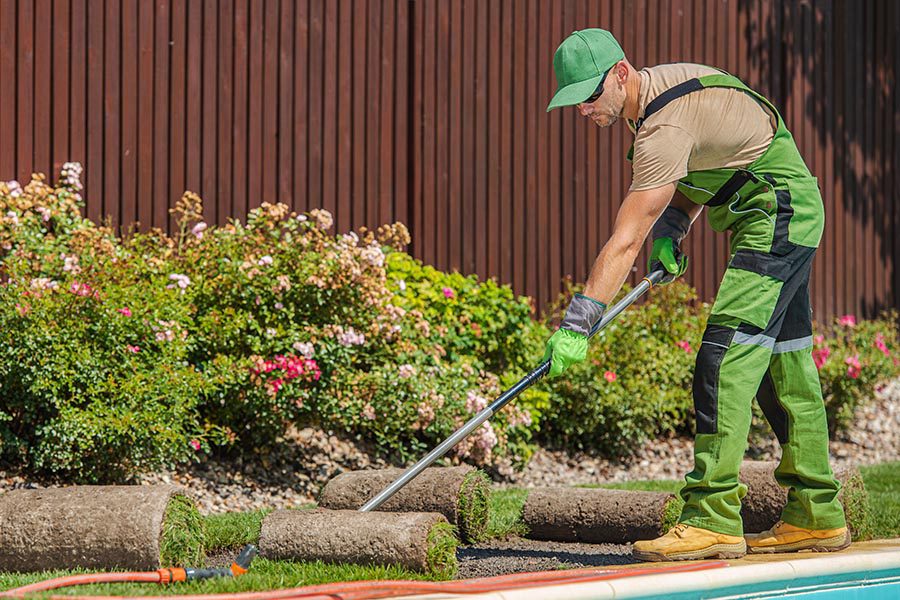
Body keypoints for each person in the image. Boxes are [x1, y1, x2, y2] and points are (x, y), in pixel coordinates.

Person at [543, 28, 849, 561]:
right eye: (575, 101)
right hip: (785, 209)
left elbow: (625, 238)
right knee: (786, 363)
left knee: (723, 359)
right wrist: (676, 228)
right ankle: (815, 515)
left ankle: (711, 518)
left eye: (591, 96)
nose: (585, 110)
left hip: (776, 215)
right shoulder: (660, 96)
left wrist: (578, 322)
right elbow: (713, 159)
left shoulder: (662, 125)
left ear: (620, 72)